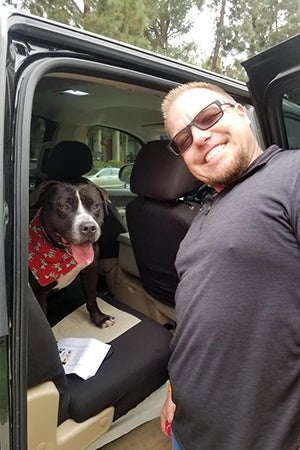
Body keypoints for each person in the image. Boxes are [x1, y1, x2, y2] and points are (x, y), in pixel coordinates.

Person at [159, 81, 300, 450]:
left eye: (208, 116)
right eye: (184, 140)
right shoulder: (205, 210)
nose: (200, 138)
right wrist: (176, 386)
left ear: (241, 111)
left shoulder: (292, 174)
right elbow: (198, 311)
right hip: (188, 427)